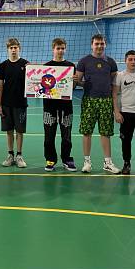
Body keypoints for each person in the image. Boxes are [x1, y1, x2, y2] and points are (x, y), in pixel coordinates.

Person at [75, 34, 120, 174]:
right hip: (89, 100)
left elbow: (114, 82)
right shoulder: (84, 61)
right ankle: (87, 162)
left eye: (102, 44)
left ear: (105, 45)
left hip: (106, 101)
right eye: (97, 44)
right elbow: (78, 81)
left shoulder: (111, 62)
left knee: (105, 132)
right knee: (86, 131)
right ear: (92, 45)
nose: (99, 46)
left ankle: (108, 162)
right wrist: (78, 81)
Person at [43, 38, 76, 172]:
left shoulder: (70, 66)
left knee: (66, 136)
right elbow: (41, 86)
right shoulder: (46, 67)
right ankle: (50, 159)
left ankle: (67, 159)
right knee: (49, 137)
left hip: (66, 107)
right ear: (53, 49)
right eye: (58, 48)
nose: (60, 51)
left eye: (62, 48)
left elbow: (72, 87)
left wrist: (75, 81)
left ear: (65, 49)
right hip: (49, 107)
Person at [0, 38, 28, 168]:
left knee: (19, 131)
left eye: (15, 47)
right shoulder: (3, 65)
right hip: (6, 104)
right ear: (8, 49)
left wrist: (34, 69)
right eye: (11, 48)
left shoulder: (26, 64)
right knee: (9, 131)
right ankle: (10, 155)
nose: (13, 50)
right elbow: (0, 86)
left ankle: (19, 156)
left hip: (21, 103)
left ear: (19, 48)